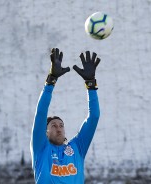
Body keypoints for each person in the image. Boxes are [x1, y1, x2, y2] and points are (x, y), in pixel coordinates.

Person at [30, 48, 101, 184]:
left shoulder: (77, 147)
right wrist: (51, 81)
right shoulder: (41, 148)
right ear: (46, 131)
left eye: (61, 125)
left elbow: (94, 117)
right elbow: (41, 113)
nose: (59, 128)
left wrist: (90, 84)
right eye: (54, 125)